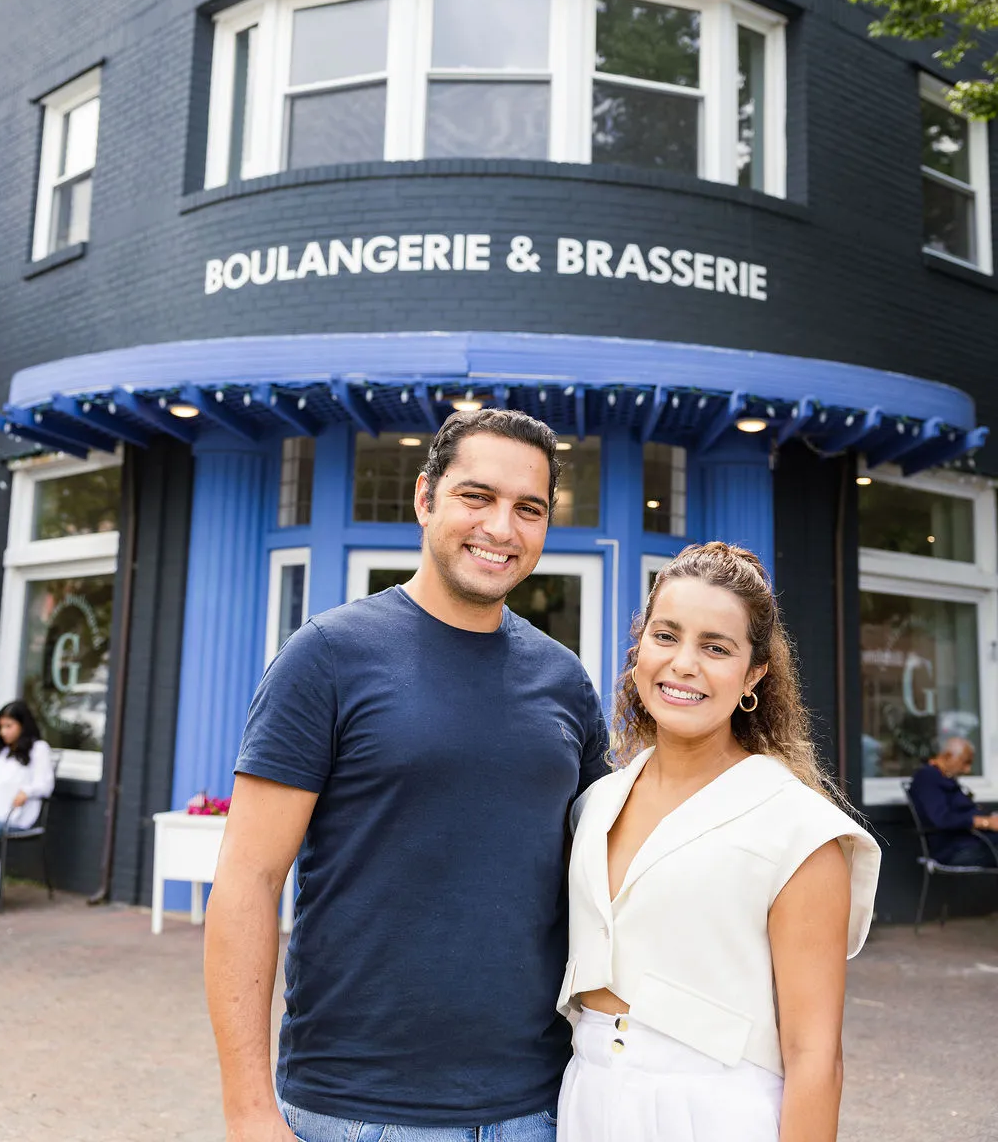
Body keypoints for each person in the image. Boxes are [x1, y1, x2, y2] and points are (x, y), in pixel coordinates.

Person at [205, 409, 609, 1142]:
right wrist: (247, 1108)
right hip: (354, 1109)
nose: (501, 527)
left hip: (537, 1106)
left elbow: (608, 873)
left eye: (529, 508)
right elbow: (247, 880)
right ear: (425, 497)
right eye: (476, 497)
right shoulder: (326, 655)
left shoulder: (565, 681)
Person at [557, 542, 881, 1142]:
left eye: (715, 647)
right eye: (666, 635)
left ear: (754, 673)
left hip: (716, 1113)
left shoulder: (799, 829)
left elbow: (816, 1058)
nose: (683, 664)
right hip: (587, 1098)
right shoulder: (595, 803)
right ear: (639, 650)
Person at [0, 700, 55, 902]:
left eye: (9, 726)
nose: (4, 732)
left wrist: (26, 791)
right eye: (1, 727)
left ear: (23, 725)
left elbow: (45, 783)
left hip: (13, 814)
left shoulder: (38, 749)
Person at [908, 737, 998, 866]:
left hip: (976, 841)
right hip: (954, 849)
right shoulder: (927, 778)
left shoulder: (945, 778)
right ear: (948, 756)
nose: (967, 769)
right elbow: (940, 819)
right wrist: (984, 822)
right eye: (965, 762)